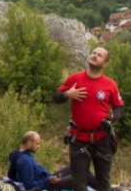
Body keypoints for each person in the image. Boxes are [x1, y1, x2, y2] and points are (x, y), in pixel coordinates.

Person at [53, 47, 124, 191]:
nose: (95, 56)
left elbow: (119, 108)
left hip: (102, 138)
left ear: (104, 64)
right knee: (79, 183)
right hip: (79, 138)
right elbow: (56, 97)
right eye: (93, 53)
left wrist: (111, 119)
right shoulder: (75, 78)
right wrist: (68, 94)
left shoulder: (110, 84)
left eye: (99, 55)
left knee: (103, 182)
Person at [7, 131, 96, 190]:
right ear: (29, 143)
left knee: (77, 167)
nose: (39, 147)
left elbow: (10, 175)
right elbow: (30, 186)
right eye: (37, 144)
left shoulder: (18, 153)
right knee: (83, 176)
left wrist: (19, 178)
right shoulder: (24, 161)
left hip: (48, 179)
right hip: (50, 186)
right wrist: (48, 181)